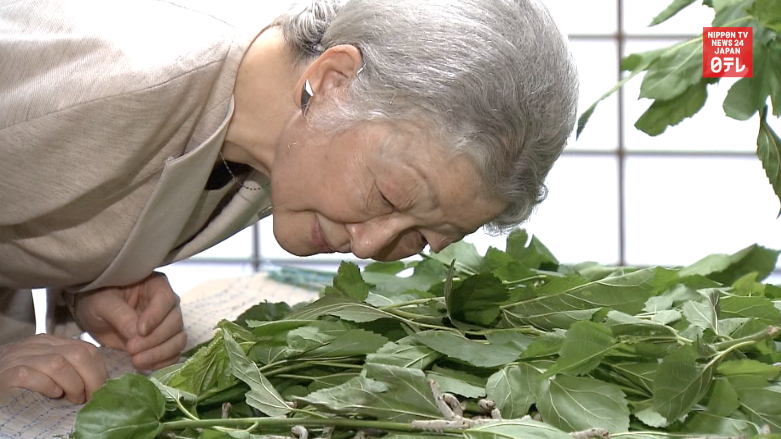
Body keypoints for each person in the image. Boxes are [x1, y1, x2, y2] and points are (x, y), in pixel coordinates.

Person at [0, 0, 578, 404]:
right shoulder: (122, 80)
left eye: (423, 239)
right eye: (389, 194)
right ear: (333, 80)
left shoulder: (290, 131)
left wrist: (94, 274)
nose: (370, 245)